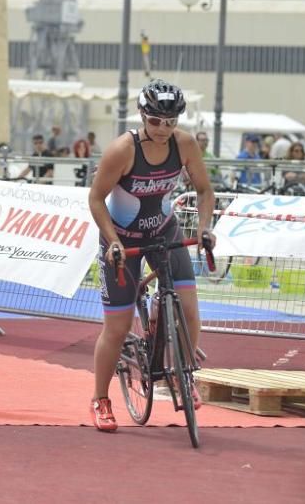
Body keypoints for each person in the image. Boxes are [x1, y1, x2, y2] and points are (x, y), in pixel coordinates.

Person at [87, 79, 215, 432]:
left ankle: (183, 376)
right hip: (122, 240)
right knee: (117, 328)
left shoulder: (184, 144)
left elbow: (204, 190)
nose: (163, 128)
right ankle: (100, 398)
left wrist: (203, 228)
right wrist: (112, 240)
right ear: (143, 116)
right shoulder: (122, 150)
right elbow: (96, 199)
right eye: (156, 121)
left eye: (171, 121)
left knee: (189, 308)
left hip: (164, 232)